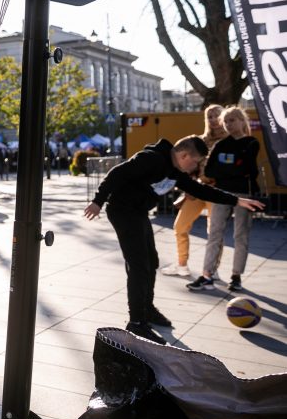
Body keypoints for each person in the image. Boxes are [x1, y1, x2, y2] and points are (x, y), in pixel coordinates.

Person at [84, 135, 264, 344]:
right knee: (139, 265)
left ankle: (147, 310)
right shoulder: (152, 158)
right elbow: (116, 173)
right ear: (184, 155)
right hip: (122, 211)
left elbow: (200, 190)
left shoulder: (175, 172)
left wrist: (237, 200)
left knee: (151, 261)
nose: (196, 166)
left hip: (138, 212)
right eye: (196, 162)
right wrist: (98, 201)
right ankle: (136, 323)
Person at [188, 107, 260, 293]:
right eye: (226, 121)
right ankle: (206, 275)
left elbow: (249, 170)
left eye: (232, 120)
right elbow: (210, 171)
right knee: (214, 234)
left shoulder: (251, 143)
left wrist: (227, 170)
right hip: (221, 194)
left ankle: (236, 276)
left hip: (244, 195)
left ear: (242, 121)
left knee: (240, 236)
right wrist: (234, 168)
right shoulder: (220, 145)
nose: (228, 124)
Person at [162, 105, 225, 277]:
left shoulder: (229, 141)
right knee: (180, 226)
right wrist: (188, 186)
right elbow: (190, 167)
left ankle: (212, 269)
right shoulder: (200, 140)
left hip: (216, 190)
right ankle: (182, 265)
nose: (213, 119)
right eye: (209, 116)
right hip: (197, 188)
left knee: (214, 231)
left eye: (216, 116)